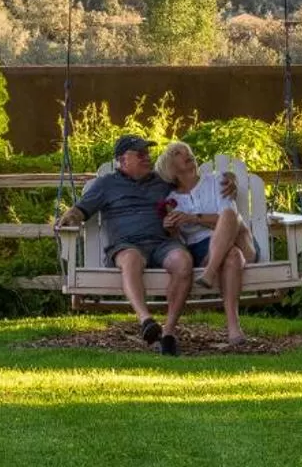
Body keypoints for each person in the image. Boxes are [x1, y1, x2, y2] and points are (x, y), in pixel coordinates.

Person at [54, 134, 193, 355]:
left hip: (161, 243)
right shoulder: (106, 184)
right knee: (131, 259)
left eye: (147, 152)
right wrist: (68, 217)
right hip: (127, 245)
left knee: (183, 262)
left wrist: (229, 181)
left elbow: (193, 182)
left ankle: (168, 332)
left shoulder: (161, 181)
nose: (146, 157)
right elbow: (80, 210)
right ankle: (146, 320)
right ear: (122, 160)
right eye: (140, 153)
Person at [155, 140, 255, 346]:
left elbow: (227, 219)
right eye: (178, 153)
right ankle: (234, 328)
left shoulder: (218, 180)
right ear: (170, 169)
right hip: (204, 250)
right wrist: (171, 227)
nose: (186, 154)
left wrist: (194, 218)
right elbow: (179, 242)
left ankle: (209, 272)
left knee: (229, 214)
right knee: (233, 256)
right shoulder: (172, 201)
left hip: (240, 241)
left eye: (187, 150)